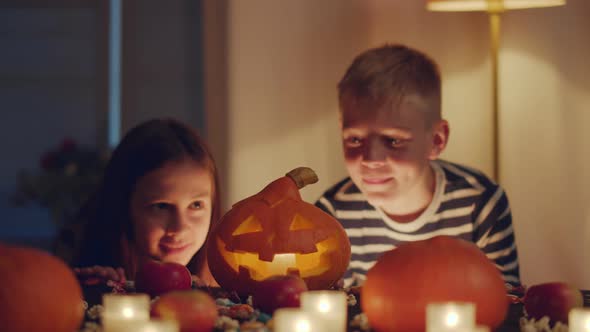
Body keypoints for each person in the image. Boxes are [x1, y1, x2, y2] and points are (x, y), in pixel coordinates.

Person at [315, 44, 520, 288]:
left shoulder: (481, 202)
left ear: (436, 140)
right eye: (355, 139)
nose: (370, 159)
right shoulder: (332, 214)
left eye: (393, 140)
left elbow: (505, 300)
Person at [72, 118, 221, 287]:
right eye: (161, 206)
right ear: (123, 206)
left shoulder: (226, 293)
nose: (179, 228)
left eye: (196, 205)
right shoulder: (97, 286)